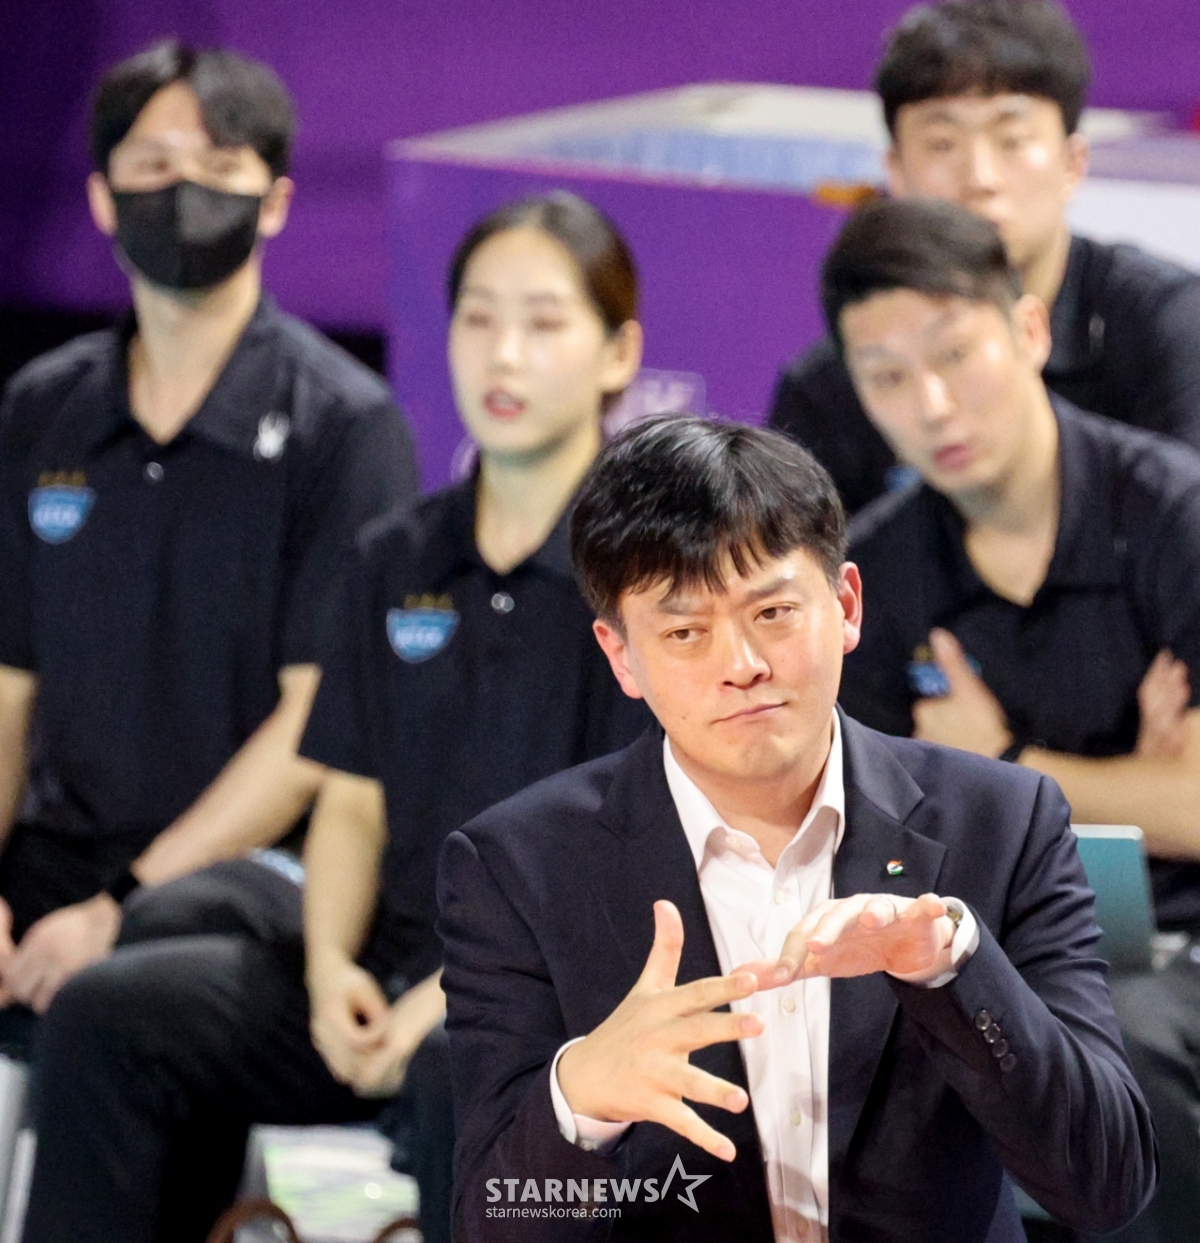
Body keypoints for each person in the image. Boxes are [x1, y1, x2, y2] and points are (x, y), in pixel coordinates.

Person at [21, 191, 653, 1243]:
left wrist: (435, 1003)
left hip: (550, 984)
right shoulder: (395, 556)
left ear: (616, 353)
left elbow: (608, 858)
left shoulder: (646, 584)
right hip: (376, 971)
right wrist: (328, 975)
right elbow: (352, 803)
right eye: (479, 319)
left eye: (544, 324)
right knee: (111, 1010)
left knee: (462, 1062)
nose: (504, 355)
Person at [437, 413, 1157, 1243]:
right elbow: (491, 1222)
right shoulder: (517, 867)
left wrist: (953, 968)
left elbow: (1108, 1185)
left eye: (773, 612)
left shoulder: (1002, 822)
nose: (742, 664)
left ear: (846, 605)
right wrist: (581, 1097)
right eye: (685, 632)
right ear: (621, 655)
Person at [0, 39, 417, 1041]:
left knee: (117, 1008)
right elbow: (7, 684)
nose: (182, 192)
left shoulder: (343, 427)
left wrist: (123, 903)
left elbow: (314, 726)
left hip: (241, 883)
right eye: (152, 165)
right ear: (102, 199)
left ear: (273, 202)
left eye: (218, 166)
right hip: (57, 858)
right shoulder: (43, 407)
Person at [830, 196, 1200, 1242]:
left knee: (1119, 1049)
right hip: (982, 949)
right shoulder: (875, 571)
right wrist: (1139, 785)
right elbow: (873, 835)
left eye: (956, 354)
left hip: (1181, 951)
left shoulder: (1172, 515)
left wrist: (995, 761)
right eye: (887, 377)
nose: (932, 403)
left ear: (1030, 330)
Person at [768, 0, 1200, 514]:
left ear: (1072, 163)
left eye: (1011, 139)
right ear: (896, 172)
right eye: (942, 143)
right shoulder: (827, 388)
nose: (979, 178)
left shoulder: (1170, 328)